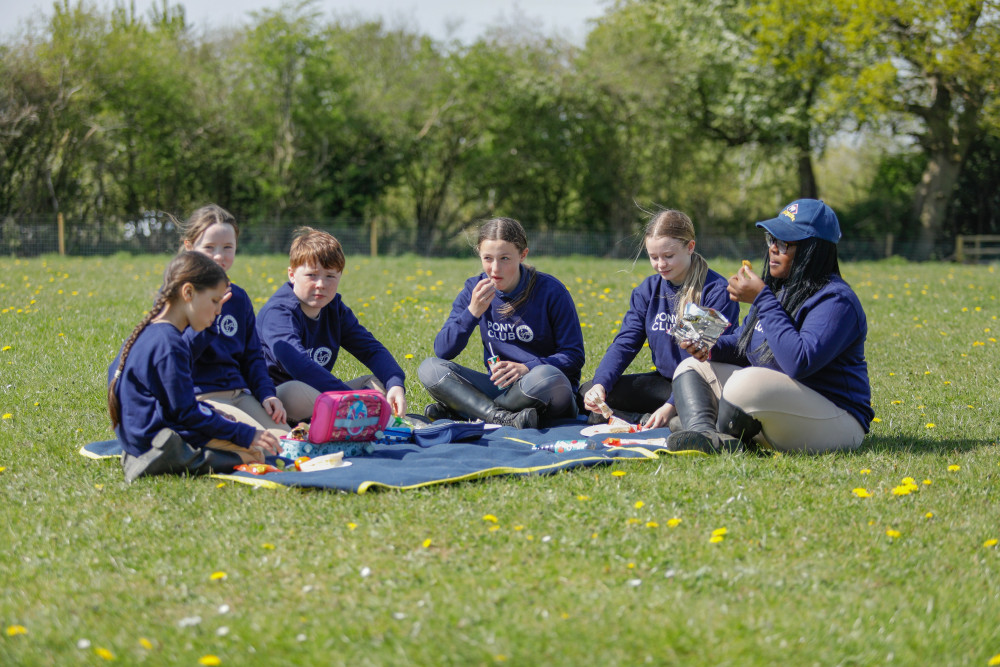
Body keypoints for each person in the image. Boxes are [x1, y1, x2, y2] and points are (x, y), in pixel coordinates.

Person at [665, 199, 874, 454]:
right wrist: (709, 346)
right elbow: (746, 347)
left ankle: (710, 428)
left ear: (813, 249)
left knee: (745, 382)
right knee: (691, 367)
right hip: (781, 409)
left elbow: (799, 362)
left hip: (838, 421)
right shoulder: (778, 290)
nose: (773, 249)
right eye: (771, 239)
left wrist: (763, 299)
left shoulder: (836, 300)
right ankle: (704, 434)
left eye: (784, 243)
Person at [108, 251, 281, 482]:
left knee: (240, 434)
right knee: (260, 453)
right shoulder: (170, 344)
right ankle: (173, 460)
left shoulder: (151, 332)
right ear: (188, 292)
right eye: (214, 301)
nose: (219, 311)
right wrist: (246, 433)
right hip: (156, 442)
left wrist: (216, 417)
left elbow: (176, 406)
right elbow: (186, 415)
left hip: (138, 438)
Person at [418, 217, 585, 428]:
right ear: (479, 254)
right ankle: (500, 417)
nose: (495, 269)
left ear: (523, 255)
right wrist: (472, 312)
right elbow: (443, 350)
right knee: (429, 368)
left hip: (544, 389)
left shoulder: (551, 290)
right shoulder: (474, 289)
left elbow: (574, 355)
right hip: (502, 388)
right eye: (488, 258)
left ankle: (470, 411)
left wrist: (527, 367)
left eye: (505, 258)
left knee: (547, 376)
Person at [580, 209, 739, 429]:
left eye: (668, 256)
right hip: (665, 383)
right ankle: (647, 418)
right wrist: (600, 385)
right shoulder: (648, 290)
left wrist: (671, 406)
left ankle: (668, 418)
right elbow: (625, 343)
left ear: (690, 247)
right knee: (588, 392)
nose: (660, 264)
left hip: (703, 384)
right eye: (654, 257)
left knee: (683, 412)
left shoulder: (715, 291)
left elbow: (706, 360)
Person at [256, 227, 406, 423]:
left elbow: (371, 349)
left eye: (330, 276)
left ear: (340, 276)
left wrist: (396, 383)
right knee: (294, 391)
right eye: (312, 275)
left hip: (323, 395)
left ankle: (355, 417)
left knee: (380, 383)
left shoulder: (334, 309)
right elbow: (299, 366)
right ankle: (359, 416)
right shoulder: (278, 312)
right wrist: (349, 397)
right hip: (276, 399)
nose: (321, 284)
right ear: (292, 275)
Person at [179, 205, 288, 438]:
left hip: (240, 394)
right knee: (266, 445)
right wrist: (208, 318)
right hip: (202, 396)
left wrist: (267, 394)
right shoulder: (179, 296)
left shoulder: (238, 298)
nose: (219, 256)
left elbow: (253, 357)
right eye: (209, 247)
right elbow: (174, 356)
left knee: (288, 440)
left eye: (228, 247)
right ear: (189, 247)